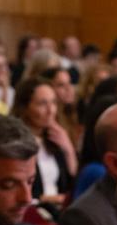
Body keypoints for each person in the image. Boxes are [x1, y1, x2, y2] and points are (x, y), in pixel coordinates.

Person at [11, 77, 76, 207]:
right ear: (24, 107)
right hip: (33, 210)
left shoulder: (55, 138)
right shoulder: (14, 142)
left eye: (53, 103)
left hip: (58, 209)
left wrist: (69, 150)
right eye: (42, 104)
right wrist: (55, 199)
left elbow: (72, 181)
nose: (50, 110)